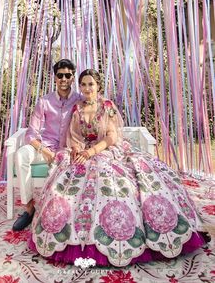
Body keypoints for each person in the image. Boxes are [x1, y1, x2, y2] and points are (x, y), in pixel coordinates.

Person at [29, 69, 209, 267]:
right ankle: (71, 238)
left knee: (113, 179)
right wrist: (78, 150)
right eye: (83, 85)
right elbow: (74, 135)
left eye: (91, 84)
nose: (87, 88)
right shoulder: (77, 108)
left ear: (98, 86)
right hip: (84, 153)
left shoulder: (107, 106)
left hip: (105, 150)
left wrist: (91, 152)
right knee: (66, 180)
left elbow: (111, 137)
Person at [12, 59, 81, 231]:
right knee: (21, 155)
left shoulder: (80, 101)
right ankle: (28, 209)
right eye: (60, 75)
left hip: (66, 150)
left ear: (73, 78)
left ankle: (59, 213)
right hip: (45, 147)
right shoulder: (44, 101)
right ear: (55, 78)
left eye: (67, 75)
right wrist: (44, 150)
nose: (63, 79)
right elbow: (31, 134)